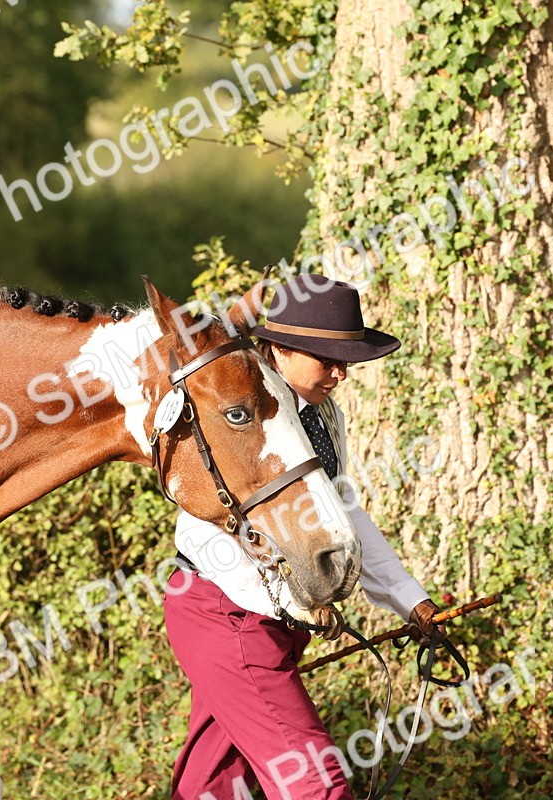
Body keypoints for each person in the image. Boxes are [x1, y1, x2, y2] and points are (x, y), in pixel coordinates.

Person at [163, 275, 442, 800]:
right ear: (280, 350)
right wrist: (299, 602)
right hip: (223, 613)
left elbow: (343, 514)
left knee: (214, 785)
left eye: (347, 362)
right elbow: (210, 540)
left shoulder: (322, 416)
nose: (340, 374)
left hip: (274, 625)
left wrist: (411, 601)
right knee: (315, 782)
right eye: (326, 360)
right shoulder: (240, 419)